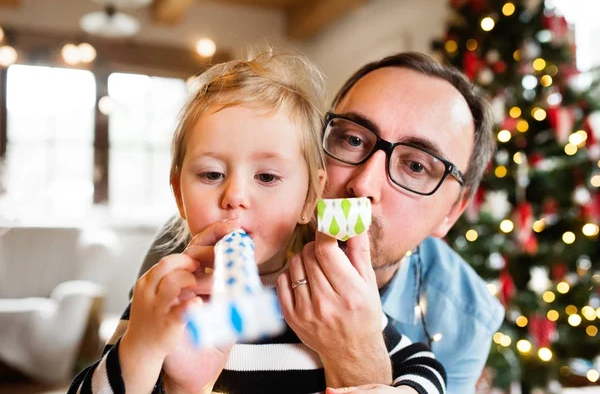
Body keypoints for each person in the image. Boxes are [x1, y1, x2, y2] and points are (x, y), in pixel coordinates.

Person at [68, 51, 447, 394]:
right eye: (212, 174)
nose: (235, 195)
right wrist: (144, 351)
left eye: (266, 178)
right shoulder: (166, 298)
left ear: (310, 197)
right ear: (178, 194)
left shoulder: (324, 292)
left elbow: (425, 369)